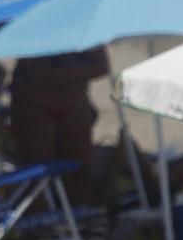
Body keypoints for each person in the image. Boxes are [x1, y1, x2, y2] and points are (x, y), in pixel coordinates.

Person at [9, 48, 109, 205]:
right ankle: (48, 225)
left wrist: (55, 74)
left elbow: (102, 66)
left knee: (78, 173)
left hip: (69, 104)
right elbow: (100, 66)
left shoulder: (78, 25)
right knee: (37, 177)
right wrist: (63, 74)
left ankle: (80, 222)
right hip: (34, 105)